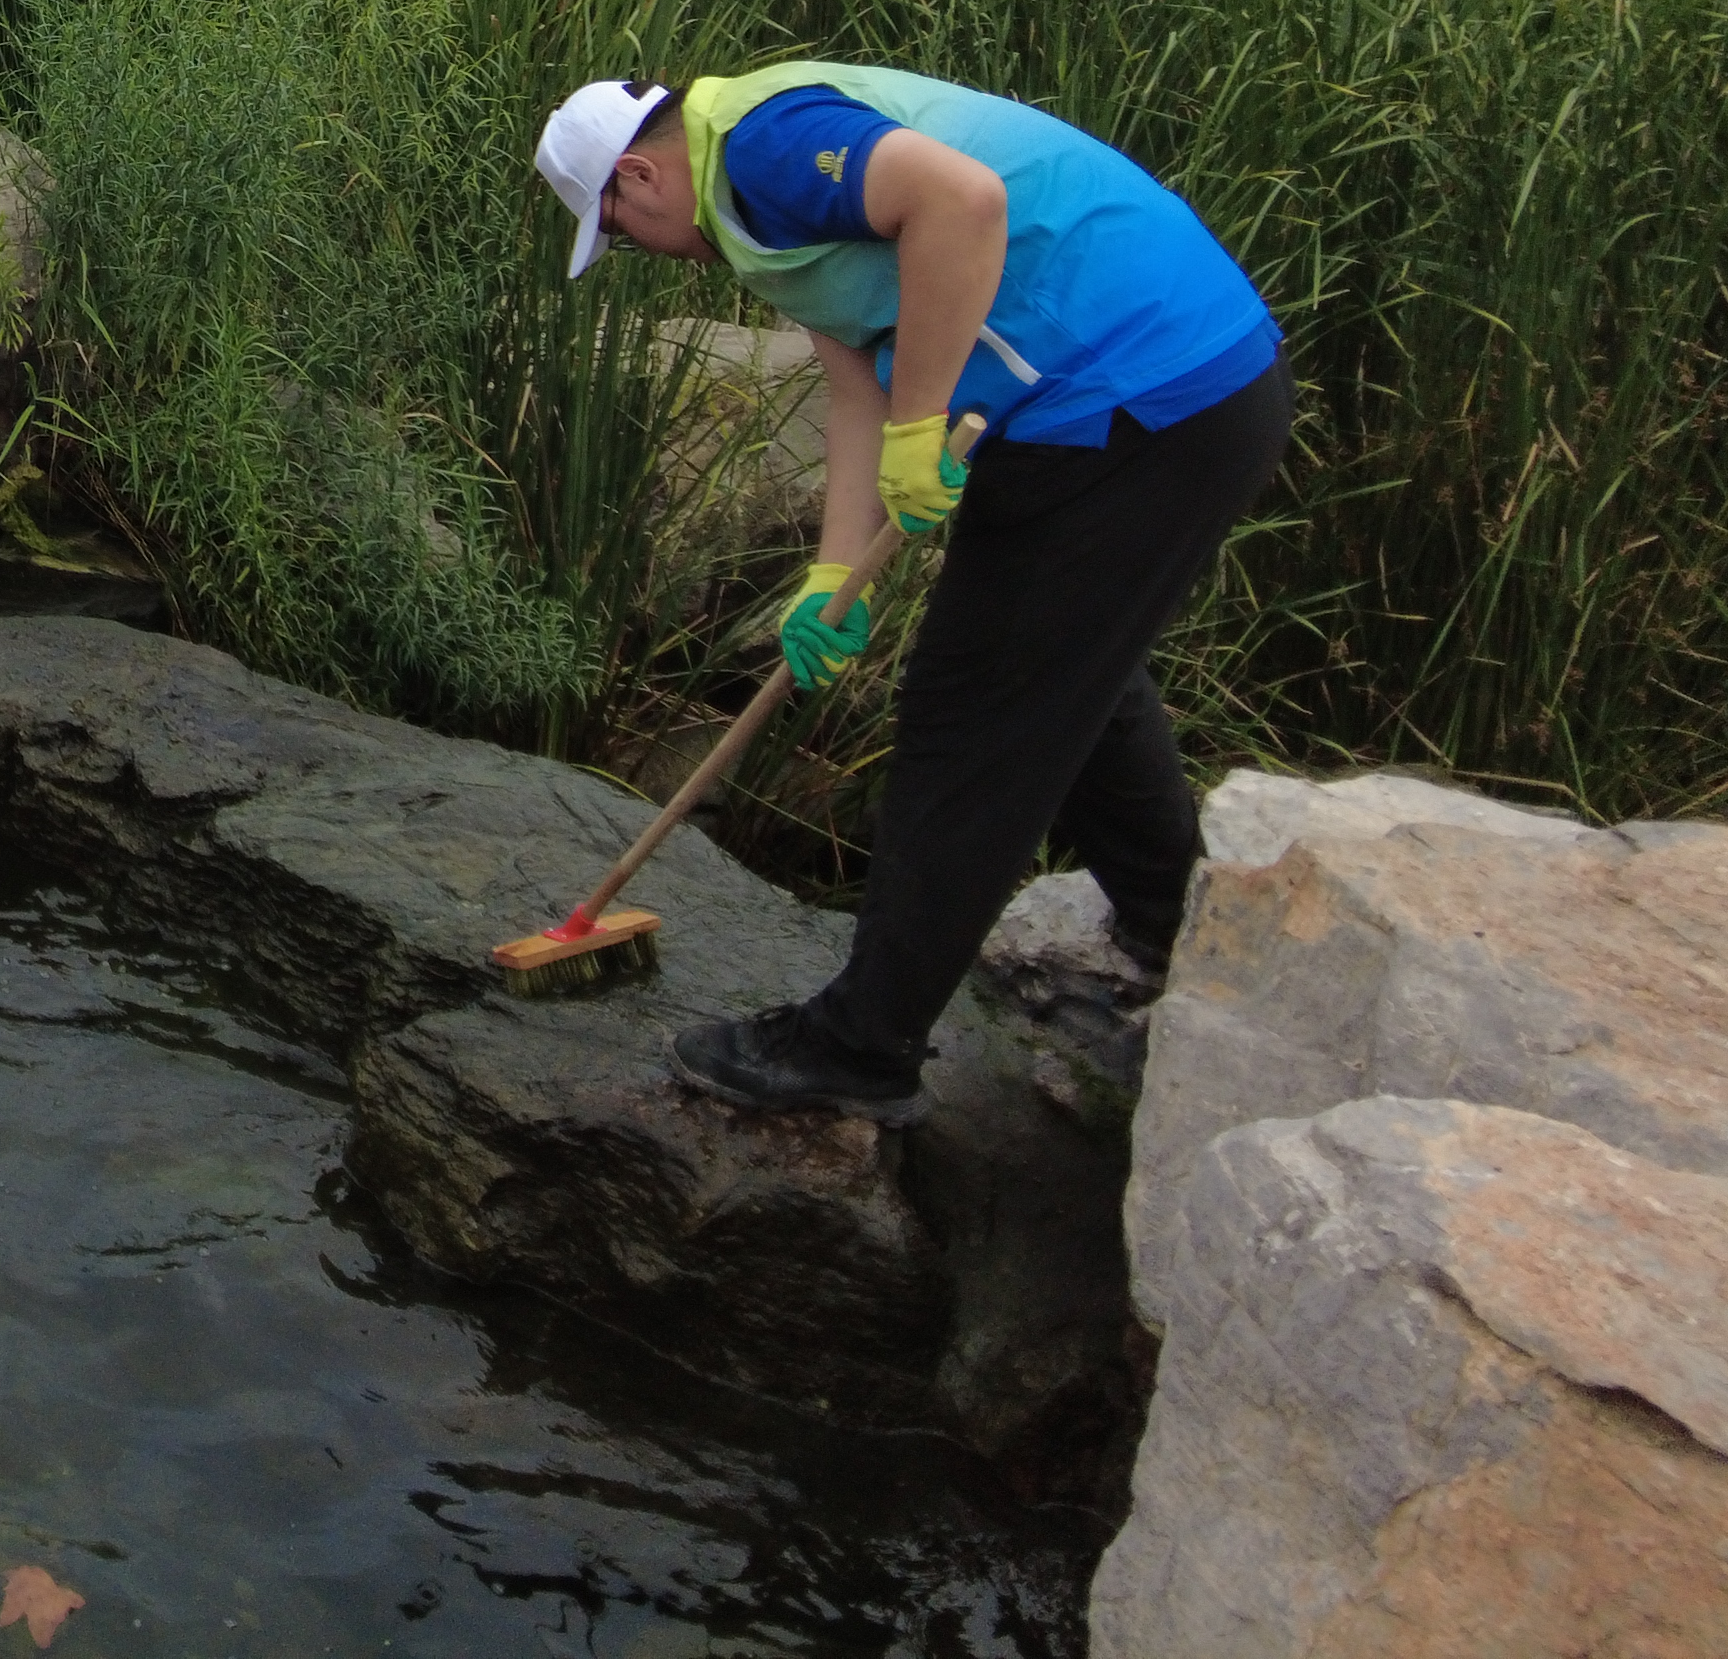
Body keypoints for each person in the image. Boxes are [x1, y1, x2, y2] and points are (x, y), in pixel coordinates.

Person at [534, 63, 1288, 1123]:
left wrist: (924, 423)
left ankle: (861, 1046)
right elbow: (856, 386)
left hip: (1149, 390)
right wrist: (832, 577)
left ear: (639, 177)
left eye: (614, 230)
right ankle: (1176, 922)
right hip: (1165, 390)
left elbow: (961, 200)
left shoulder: (766, 145)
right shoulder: (747, 196)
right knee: (1070, 677)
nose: (638, 254)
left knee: (968, 712)